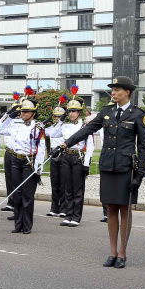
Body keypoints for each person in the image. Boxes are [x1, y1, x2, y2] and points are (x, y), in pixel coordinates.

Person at [61, 77, 145, 269]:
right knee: (110, 209)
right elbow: (88, 129)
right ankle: (112, 252)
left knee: (124, 209)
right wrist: (66, 143)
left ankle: (122, 253)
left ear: (127, 92)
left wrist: (140, 174)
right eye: (112, 90)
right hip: (108, 166)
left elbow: (143, 147)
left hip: (126, 168)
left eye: (117, 90)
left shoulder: (137, 114)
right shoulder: (107, 112)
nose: (113, 93)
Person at [0, 98, 46, 234]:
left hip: (29, 162)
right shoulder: (15, 125)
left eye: (26, 111)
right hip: (15, 161)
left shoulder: (38, 127)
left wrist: (38, 169)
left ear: (33, 113)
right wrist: (9, 115)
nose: (22, 113)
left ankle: (27, 225)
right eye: (22, 111)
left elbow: (41, 150)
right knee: (17, 193)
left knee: (27, 195)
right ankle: (18, 224)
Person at [55, 96, 95, 227]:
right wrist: (61, 118)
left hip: (78, 157)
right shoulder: (65, 126)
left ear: (79, 112)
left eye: (74, 111)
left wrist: (86, 164)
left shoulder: (85, 126)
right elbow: (53, 133)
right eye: (69, 111)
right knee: (67, 187)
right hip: (66, 156)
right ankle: (68, 215)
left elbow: (90, 147)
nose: (71, 113)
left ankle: (76, 216)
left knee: (77, 188)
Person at [45, 102, 66, 217]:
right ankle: (54, 208)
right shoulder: (52, 127)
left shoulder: (65, 127)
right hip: (53, 155)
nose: (57, 118)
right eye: (55, 116)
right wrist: (44, 121)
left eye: (59, 116)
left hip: (63, 154)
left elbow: (54, 133)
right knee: (54, 182)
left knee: (63, 183)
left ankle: (63, 208)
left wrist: (61, 122)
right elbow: (42, 130)